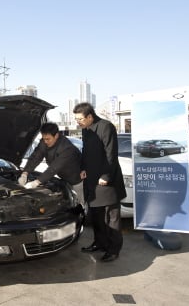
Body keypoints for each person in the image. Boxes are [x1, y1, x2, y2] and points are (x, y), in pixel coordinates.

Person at [73, 102, 126, 263]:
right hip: (91, 180)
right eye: (76, 119)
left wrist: (106, 176)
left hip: (106, 181)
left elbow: (111, 154)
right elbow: (86, 152)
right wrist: (82, 167)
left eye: (80, 119)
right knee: (96, 216)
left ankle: (113, 249)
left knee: (112, 217)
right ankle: (99, 243)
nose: (78, 122)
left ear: (90, 116)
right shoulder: (86, 130)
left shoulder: (106, 127)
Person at [18, 123, 83, 204]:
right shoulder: (44, 142)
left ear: (56, 136)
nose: (45, 141)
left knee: (80, 205)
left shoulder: (67, 148)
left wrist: (36, 182)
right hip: (64, 179)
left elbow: (54, 168)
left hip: (78, 180)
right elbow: (36, 157)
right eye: (43, 138)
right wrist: (25, 173)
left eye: (48, 139)